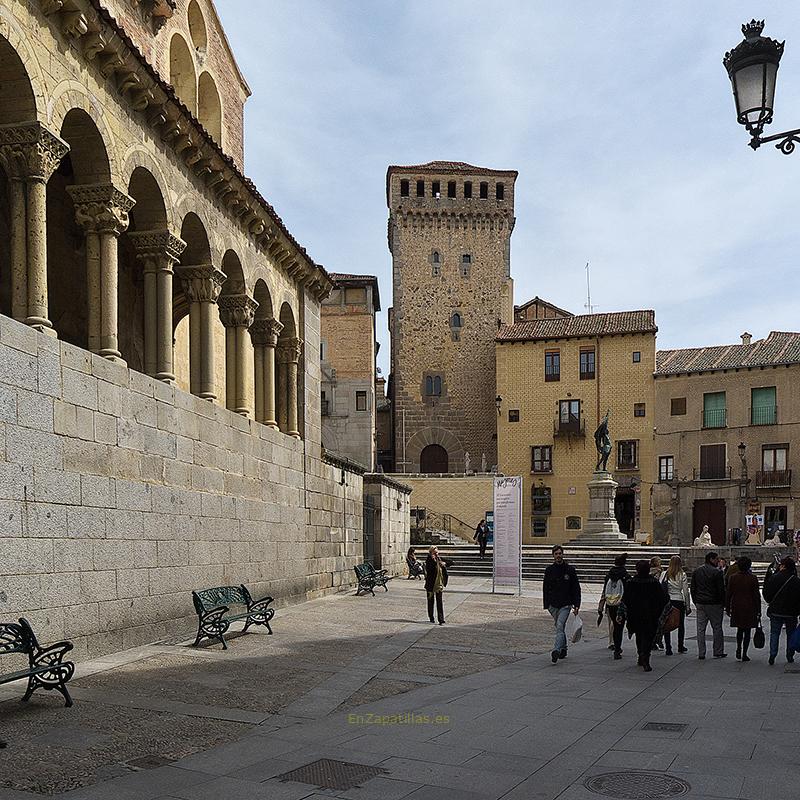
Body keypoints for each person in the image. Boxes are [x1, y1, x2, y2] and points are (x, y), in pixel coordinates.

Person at [622, 560, 669, 672]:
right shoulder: (653, 582)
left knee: (639, 635)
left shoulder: (631, 582)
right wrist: (657, 611)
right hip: (650, 614)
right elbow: (662, 598)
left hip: (635, 614)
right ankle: (645, 658)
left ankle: (640, 655)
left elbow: (626, 599)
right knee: (648, 636)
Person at [543, 545, 581, 664]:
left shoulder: (570, 570)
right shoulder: (549, 570)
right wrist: (547, 604)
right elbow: (545, 587)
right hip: (553, 605)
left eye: (560, 553)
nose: (558, 556)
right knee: (560, 626)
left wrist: (576, 604)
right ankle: (564, 648)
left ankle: (556, 650)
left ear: (563, 554)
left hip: (565, 604)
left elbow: (576, 588)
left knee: (559, 625)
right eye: (556, 554)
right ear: (553, 556)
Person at [763, 556, 800, 666]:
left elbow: (767, 593)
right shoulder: (796, 580)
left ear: (783, 566)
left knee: (774, 633)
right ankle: (790, 654)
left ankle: (772, 654)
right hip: (791, 612)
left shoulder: (774, 578)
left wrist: (770, 602)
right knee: (791, 633)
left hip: (776, 611)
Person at [690, 550, 726, 659]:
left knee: (700, 629)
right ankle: (718, 651)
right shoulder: (717, 572)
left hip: (700, 602)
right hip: (714, 603)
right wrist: (723, 603)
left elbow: (693, 588)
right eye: (716, 559)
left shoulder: (697, 571)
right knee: (717, 627)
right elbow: (721, 590)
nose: (718, 561)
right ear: (711, 559)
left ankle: (701, 652)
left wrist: (695, 601)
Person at [725, 555, 760, 662]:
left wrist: (727, 607)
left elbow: (729, 594)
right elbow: (756, 595)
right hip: (749, 606)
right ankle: (744, 653)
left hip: (737, 606)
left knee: (739, 629)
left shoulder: (733, 577)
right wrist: (758, 610)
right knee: (747, 631)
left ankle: (738, 647)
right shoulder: (753, 578)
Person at [599, 554, 629, 660]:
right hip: (621, 604)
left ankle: (615, 645)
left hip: (610, 604)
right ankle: (617, 649)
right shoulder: (625, 576)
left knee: (615, 625)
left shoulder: (609, 575)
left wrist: (601, 605)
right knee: (619, 627)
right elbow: (628, 592)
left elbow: (604, 591)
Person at [662, 555, 691, 656]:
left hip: (668, 600)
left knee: (667, 624)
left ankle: (668, 647)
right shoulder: (682, 574)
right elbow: (685, 591)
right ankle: (680, 645)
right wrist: (688, 606)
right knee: (680, 624)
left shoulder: (665, 574)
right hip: (679, 600)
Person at [424, 546, 453, 625]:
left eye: (437, 552)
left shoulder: (439, 559)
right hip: (430, 585)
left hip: (439, 585)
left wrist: (444, 563)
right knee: (430, 601)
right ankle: (431, 617)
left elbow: (451, 562)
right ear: (431, 553)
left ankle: (441, 619)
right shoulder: (429, 560)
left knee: (439, 602)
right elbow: (429, 570)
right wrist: (433, 561)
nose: (436, 554)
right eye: (434, 553)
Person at [649, 557, 664, 650]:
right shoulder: (659, 571)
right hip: (657, 598)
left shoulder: (647, 571)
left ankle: (653, 640)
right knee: (659, 621)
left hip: (649, 598)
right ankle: (657, 640)